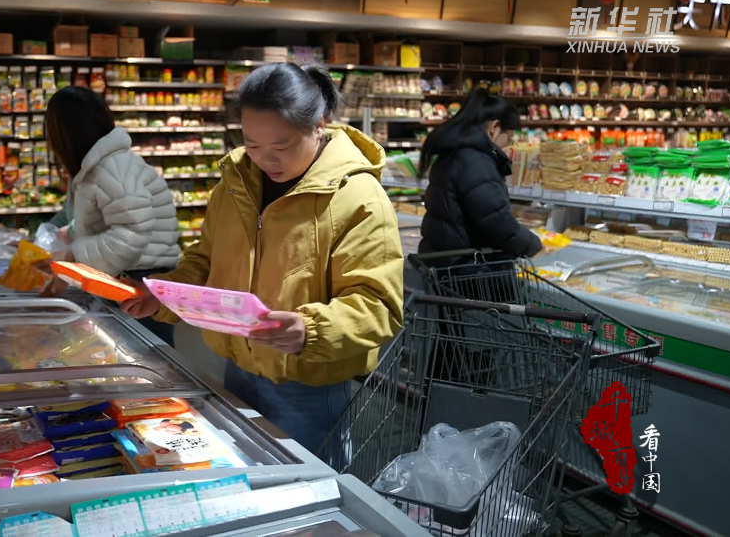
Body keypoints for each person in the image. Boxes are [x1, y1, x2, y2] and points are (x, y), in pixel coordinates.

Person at [121, 63, 404, 459]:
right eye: (252, 144)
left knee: (307, 485)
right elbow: (205, 260)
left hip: (307, 383)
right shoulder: (235, 184)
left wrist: (309, 329)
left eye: (281, 147)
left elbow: (379, 305)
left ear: (319, 125)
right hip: (237, 367)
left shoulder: (357, 197)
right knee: (250, 474)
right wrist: (162, 295)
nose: (265, 159)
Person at [44, 86, 180, 346]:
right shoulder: (97, 167)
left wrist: (73, 256)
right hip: (129, 274)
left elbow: (130, 234)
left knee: (148, 357)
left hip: (140, 282)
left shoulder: (112, 168)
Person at [418, 88, 542, 260]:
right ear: (494, 128)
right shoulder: (476, 161)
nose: (508, 145)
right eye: (509, 137)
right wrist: (533, 246)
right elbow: (496, 223)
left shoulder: (454, 152)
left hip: (443, 260)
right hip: (464, 267)